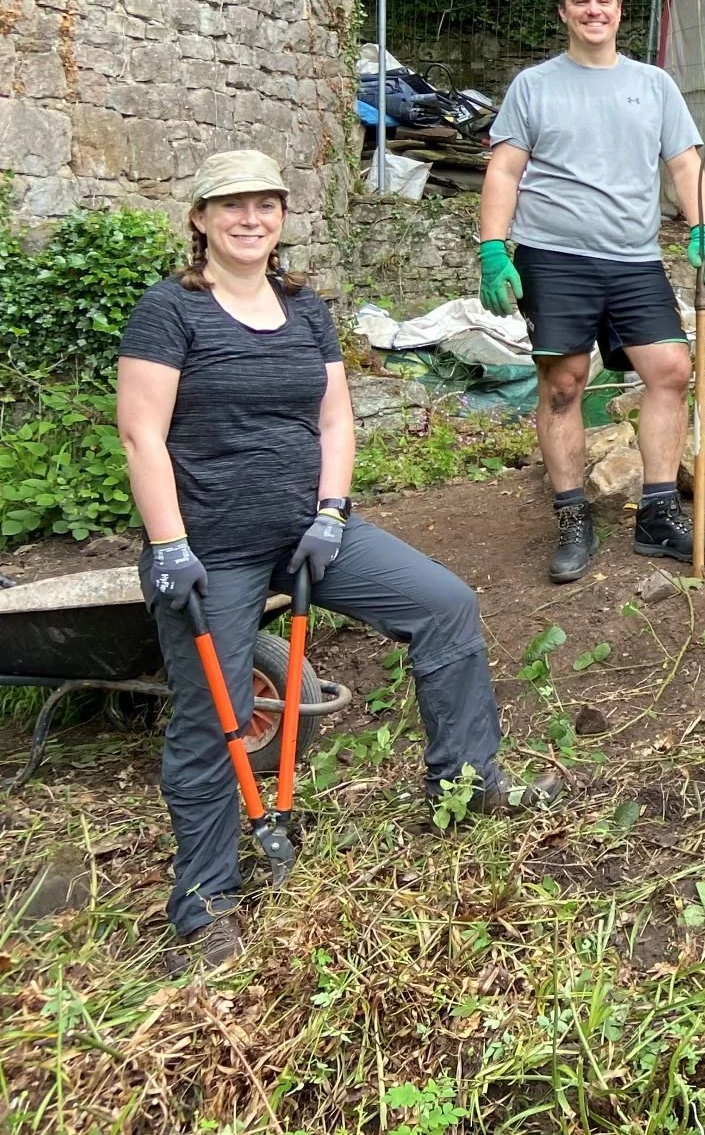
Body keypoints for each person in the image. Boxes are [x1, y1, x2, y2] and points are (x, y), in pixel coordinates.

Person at [119, 151, 560, 974]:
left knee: (444, 604)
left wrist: (331, 511)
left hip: (309, 533)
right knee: (208, 716)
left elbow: (334, 422)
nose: (251, 219)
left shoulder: (305, 308)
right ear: (202, 219)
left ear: (283, 217)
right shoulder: (168, 312)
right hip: (208, 549)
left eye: (265, 205)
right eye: (232, 206)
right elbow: (143, 433)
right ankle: (205, 907)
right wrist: (170, 542)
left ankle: (466, 784)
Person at [476, 0, 705, 583]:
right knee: (564, 383)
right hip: (554, 255)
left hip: (634, 257)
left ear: (619, 11)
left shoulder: (654, 84)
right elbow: (504, 171)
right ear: (563, 13)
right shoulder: (534, 86)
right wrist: (493, 248)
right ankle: (572, 516)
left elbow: (685, 163)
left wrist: (702, 229)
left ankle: (659, 515)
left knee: (670, 369)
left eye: (604, 0)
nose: (594, 10)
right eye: (580, 1)